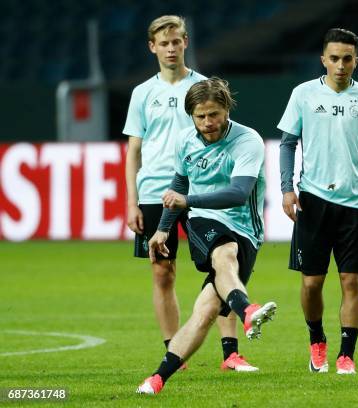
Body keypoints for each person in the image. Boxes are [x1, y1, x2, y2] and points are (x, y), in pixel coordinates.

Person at [124, 15, 257, 373]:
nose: (170, 48)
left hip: (201, 188)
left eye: (176, 41)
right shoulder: (142, 93)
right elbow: (133, 149)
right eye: (163, 43)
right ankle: (175, 350)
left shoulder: (203, 88)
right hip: (155, 191)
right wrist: (131, 201)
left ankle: (230, 353)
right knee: (162, 273)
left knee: (221, 264)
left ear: (185, 42)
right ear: (153, 47)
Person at [137, 77, 276, 395]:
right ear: (192, 116)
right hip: (204, 221)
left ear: (227, 109)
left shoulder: (247, 141)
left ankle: (157, 379)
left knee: (204, 312)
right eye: (200, 116)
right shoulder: (185, 141)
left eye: (214, 114)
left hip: (247, 231)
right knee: (223, 253)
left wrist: (187, 200)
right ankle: (247, 311)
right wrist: (164, 227)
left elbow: (239, 193)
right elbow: (180, 185)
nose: (207, 122)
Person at [277, 28, 358, 375]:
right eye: (334, 58)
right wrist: (286, 188)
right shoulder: (303, 94)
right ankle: (317, 341)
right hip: (313, 200)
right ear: (323, 59)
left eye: (347, 59)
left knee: (352, 281)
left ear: (357, 60)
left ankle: (347, 355)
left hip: (355, 206)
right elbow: (287, 143)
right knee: (311, 283)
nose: (341, 65)